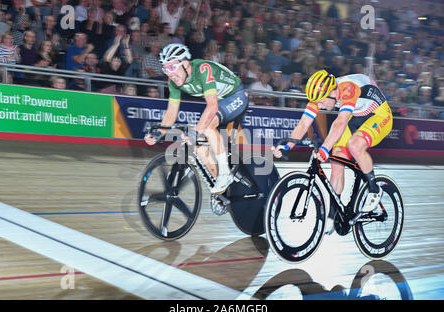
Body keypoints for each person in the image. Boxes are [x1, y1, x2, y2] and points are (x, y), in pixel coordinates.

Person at [273, 70, 393, 234]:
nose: (320, 107)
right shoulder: (320, 95)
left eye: (322, 103)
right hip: (355, 117)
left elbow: (340, 122)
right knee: (337, 161)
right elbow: (303, 124)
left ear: (332, 93)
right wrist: (287, 147)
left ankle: (374, 189)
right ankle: (332, 215)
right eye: (317, 103)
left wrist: (324, 149)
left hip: (378, 115)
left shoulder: (348, 88)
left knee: (355, 145)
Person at [144, 43, 249, 194]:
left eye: (172, 67)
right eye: (165, 69)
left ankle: (225, 173)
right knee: (200, 148)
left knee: (205, 128)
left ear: (185, 64)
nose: (170, 73)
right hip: (220, 102)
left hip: (236, 96)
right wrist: (159, 132)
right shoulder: (173, 81)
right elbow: (172, 111)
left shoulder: (202, 69)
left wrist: (196, 131)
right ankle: (223, 191)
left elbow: (212, 107)